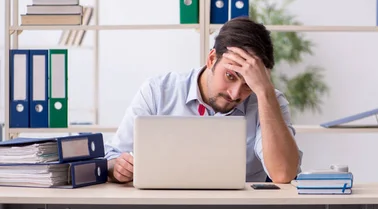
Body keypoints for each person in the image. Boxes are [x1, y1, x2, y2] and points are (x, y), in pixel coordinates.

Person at [103, 16, 303, 184]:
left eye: (248, 85)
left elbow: (283, 174)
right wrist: (117, 168)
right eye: (230, 76)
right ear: (211, 60)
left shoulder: (268, 100)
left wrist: (264, 91)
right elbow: (114, 156)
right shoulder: (158, 92)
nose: (234, 94)